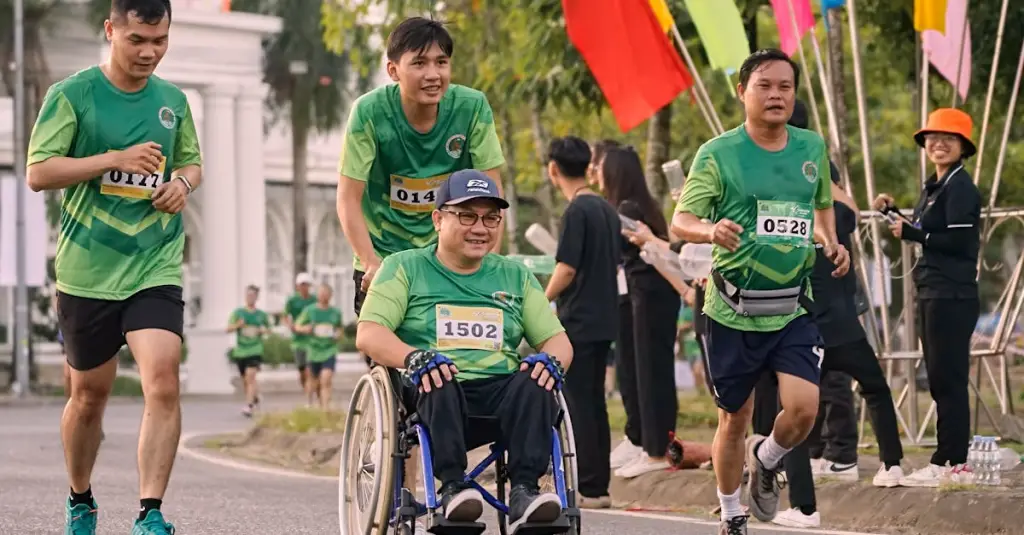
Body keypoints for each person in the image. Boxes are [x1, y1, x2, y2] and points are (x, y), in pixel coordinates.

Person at [25, 1, 200, 533]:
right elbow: (39, 172)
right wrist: (112, 158)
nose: (150, 52)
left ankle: (150, 514)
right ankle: (80, 498)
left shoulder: (172, 101)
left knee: (163, 383)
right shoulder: (72, 95)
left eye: (160, 40)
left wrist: (182, 184)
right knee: (87, 397)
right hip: (88, 271)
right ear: (111, 31)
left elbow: (190, 161)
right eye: (137, 40)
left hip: (155, 262)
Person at [671, 49, 850, 534]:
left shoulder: (811, 146)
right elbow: (680, 220)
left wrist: (830, 242)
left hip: (791, 305)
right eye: (765, 86)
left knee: (804, 409)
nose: (776, 95)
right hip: (731, 310)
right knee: (735, 417)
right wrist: (711, 231)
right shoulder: (718, 153)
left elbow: (820, 207)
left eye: (785, 87)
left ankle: (766, 459)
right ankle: (732, 513)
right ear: (742, 93)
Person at [356, 170, 573, 532]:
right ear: (438, 219)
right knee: (438, 374)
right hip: (435, 390)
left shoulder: (514, 275)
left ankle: (525, 493)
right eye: (467, 215)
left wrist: (551, 361)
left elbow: (558, 340)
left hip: (500, 393)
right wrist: (414, 358)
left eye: (491, 218)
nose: (480, 228)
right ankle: (453, 490)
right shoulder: (404, 267)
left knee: (538, 378)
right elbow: (369, 333)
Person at [336, 16, 506, 322]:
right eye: (419, 63)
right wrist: (370, 262)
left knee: (459, 365)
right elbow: (348, 198)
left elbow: (493, 193)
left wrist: (487, 266)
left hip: (448, 259)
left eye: (441, 62)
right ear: (393, 71)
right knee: (386, 358)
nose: (433, 74)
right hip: (384, 261)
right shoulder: (368, 112)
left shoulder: (472, 107)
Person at [873, 108, 982, 487]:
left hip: (952, 295)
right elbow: (922, 230)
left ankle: (953, 461)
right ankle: (947, 458)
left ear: (963, 147)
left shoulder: (962, 188)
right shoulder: (935, 186)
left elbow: (958, 241)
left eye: (948, 139)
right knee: (938, 377)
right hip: (932, 290)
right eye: (932, 138)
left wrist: (913, 235)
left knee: (947, 378)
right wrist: (893, 214)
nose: (938, 144)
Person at [543, 136, 620, 509]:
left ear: (553, 169)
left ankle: (587, 487)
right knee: (595, 404)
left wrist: (540, 302)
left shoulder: (576, 211)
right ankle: (597, 486)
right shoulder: (606, 209)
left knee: (577, 403)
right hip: (605, 318)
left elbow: (567, 268)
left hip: (579, 320)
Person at [598, 146, 681, 478]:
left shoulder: (628, 209)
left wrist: (683, 289)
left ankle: (656, 450)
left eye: (602, 167)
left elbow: (651, 253)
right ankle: (652, 445)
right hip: (647, 295)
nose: (598, 173)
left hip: (649, 294)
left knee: (650, 373)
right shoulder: (638, 205)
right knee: (649, 371)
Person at [294, 284, 343, 410]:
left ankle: (325, 409)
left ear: (330, 296)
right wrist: (306, 329)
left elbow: (339, 329)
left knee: (326, 379)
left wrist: (337, 335)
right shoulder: (310, 311)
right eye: (321, 293)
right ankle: (310, 403)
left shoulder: (335, 312)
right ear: (318, 295)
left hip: (329, 350)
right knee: (313, 381)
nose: (323, 296)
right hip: (314, 350)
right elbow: (297, 326)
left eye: (326, 294)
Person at [227, 285, 271, 417]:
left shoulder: (261, 315)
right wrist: (238, 325)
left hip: (255, 349)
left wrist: (263, 330)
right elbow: (228, 328)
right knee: (246, 380)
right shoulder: (238, 313)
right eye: (248, 295)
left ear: (257, 297)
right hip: (241, 351)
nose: (250, 297)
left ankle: (249, 405)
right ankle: (254, 397)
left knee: (250, 376)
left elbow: (269, 329)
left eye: (253, 295)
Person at [283, 273, 317, 398]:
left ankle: (310, 395)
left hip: (312, 339)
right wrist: (290, 325)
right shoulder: (292, 300)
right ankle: (306, 388)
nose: (304, 287)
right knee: (302, 371)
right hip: (298, 339)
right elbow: (285, 315)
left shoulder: (314, 300)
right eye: (302, 285)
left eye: (306, 285)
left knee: (309, 370)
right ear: (297, 286)